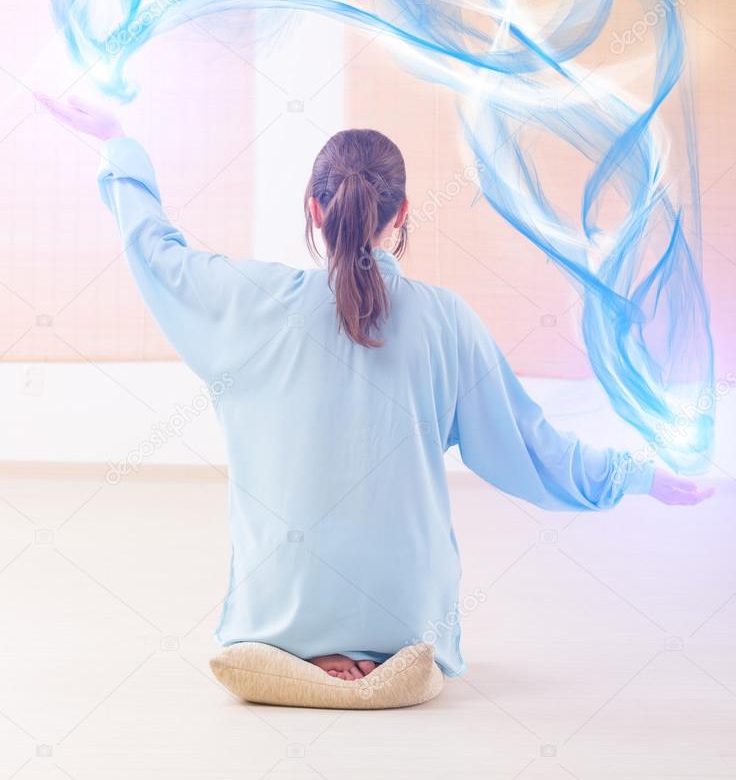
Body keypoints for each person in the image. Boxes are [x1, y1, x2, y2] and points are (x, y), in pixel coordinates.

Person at [37, 93, 714, 681]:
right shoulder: (449, 320)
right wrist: (640, 475)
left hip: (278, 619)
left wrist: (117, 141)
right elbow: (534, 452)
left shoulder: (249, 301)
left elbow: (159, 255)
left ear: (313, 207)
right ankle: (375, 649)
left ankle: (303, 647)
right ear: (405, 211)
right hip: (409, 626)